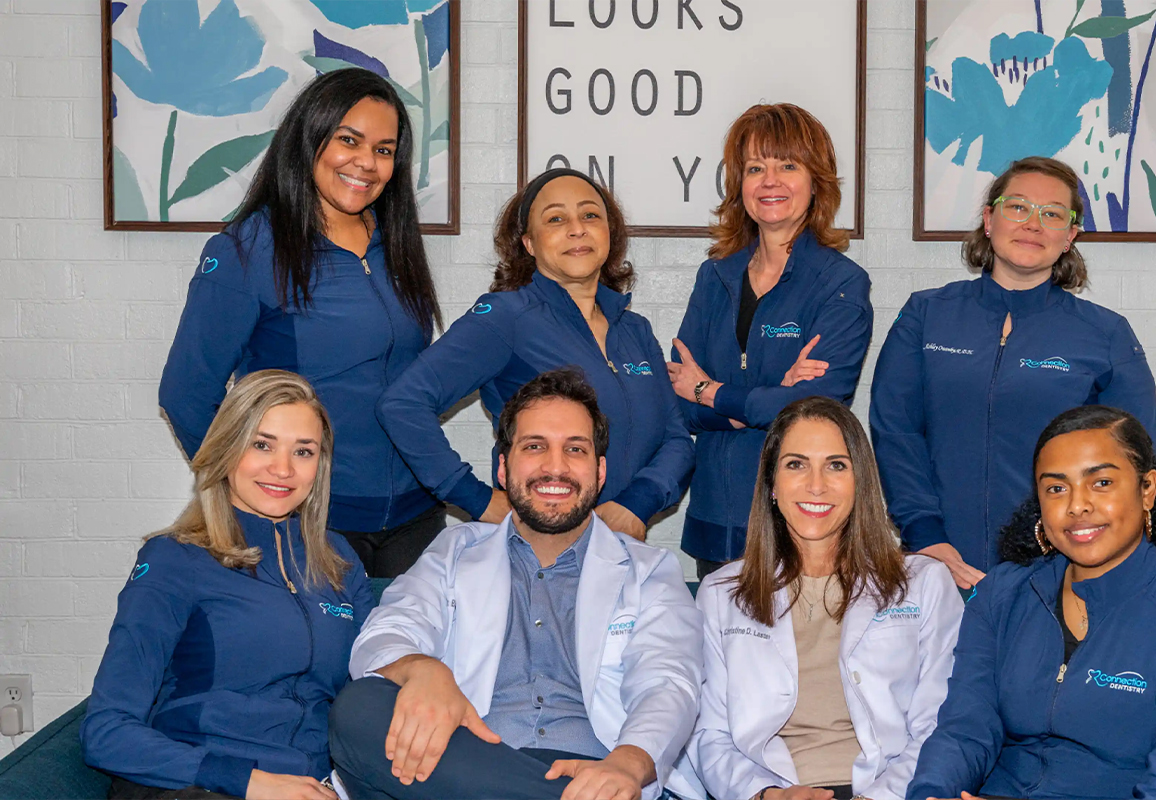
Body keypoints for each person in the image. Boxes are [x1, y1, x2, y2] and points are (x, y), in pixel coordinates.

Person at [331, 368, 704, 800]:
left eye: (575, 449)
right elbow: (386, 633)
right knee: (361, 708)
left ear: (600, 472)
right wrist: (422, 668)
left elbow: (669, 681)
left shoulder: (650, 569)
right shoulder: (455, 550)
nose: (555, 467)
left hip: (594, 777)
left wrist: (630, 761)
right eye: (534, 447)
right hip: (467, 767)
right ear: (504, 469)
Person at [158, 68, 444, 579]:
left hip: (414, 516)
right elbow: (186, 392)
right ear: (309, 140)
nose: (367, 163)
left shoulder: (395, 242)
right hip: (312, 519)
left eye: (384, 149)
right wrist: (254, 492)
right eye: (348, 141)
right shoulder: (248, 250)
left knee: (408, 660)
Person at [906, 405, 1156, 800]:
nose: (1077, 505)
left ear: (1147, 488)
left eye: (1101, 482)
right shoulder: (1003, 594)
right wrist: (932, 793)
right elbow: (966, 728)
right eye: (1056, 488)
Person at [870, 156, 1156, 590]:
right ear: (989, 220)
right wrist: (926, 536)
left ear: (1070, 236)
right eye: (1018, 207)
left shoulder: (1105, 334)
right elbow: (895, 431)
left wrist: (1087, 548)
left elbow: (1140, 458)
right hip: (937, 562)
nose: (1033, 223)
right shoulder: (926, 315)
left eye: (1052, 214)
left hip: (1061, 567)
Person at [83, 370, 373, 800]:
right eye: (262, 444)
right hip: (196, 783)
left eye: (304, 451)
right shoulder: (174, 558)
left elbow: (381, 673)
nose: (283, 468)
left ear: (320, 466)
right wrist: (248, 782)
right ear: (227, 449)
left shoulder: (340, 561)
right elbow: (105, 733)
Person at [377, 169, 693, 542]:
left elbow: (676, 439)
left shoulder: (635, 329)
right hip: (537, 545)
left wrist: (637, 504)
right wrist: (477, 500)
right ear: (529, 243)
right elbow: (402, 403)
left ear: (610, 232)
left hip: (623, 548)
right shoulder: (506, 317)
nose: (577, 229)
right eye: (556, 219)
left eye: (590, 215)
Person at [691, 396, 964, 800]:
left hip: (894, 790)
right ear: (771, 485)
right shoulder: (720, 594)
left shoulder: (924, 583)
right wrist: (764, 794)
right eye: (796, 465)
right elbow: (709, 734)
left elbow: (942, 725)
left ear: (861, 483)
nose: (816, 485)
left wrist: (878, 797)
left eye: (836, 465)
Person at [669, 103, 873, 577]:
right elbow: (677, 402)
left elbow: (816, 407)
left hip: (799, 526)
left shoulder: (841, 283)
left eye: (787, 165)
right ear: (739, 185)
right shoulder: (714, 275)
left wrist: (715, 393)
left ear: (816, 181)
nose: (770, 180)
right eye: (755, 168)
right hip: (714, 523)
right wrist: (768, 402)